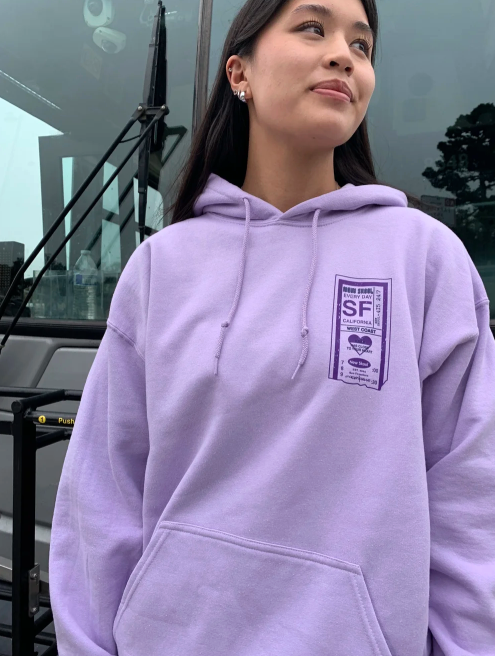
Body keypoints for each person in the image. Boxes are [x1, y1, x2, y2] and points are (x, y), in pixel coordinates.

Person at [49, 0, 495, 654]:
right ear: (240, 73)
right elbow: (102, 494)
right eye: (313, 28)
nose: (344, 55)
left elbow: (469, 500)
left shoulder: (423, 259)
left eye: (362, 45)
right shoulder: (160, 267)